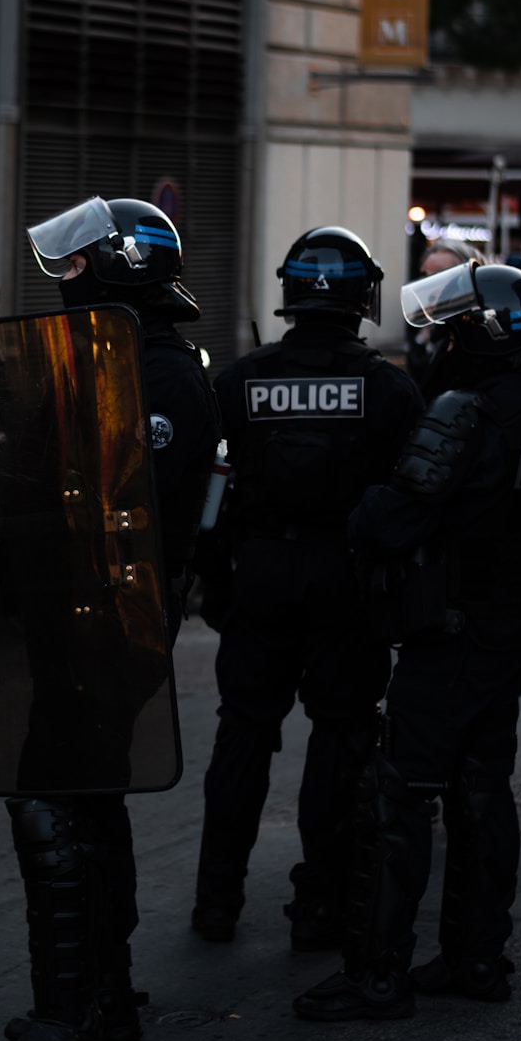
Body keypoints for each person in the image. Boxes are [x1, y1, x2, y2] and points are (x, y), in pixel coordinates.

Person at [293, 260, 521, 1023]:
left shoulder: (465, 412)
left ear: (479, 333)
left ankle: (375, 974)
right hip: (510, 629)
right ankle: (477, 957)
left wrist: (360, 502)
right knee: (482, 793)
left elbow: (390, 520)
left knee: (398, 799)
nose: (438, 341)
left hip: (447, 636)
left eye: (449, 327)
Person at [0, 196, 220, 1041]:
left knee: (56, 808)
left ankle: (69, 1018)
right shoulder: (101, 358)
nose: (65, 278)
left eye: (78, 263)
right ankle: (104, 994)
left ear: (121, 263)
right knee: (88, 807)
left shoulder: (159, 373)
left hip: (109, 619)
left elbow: (139, 516)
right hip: (73, 613)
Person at [190, 226, 424, 949]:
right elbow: (410, 500)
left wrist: (213, 579)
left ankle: (216, 901)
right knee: (340, 736)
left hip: (258, 573)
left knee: (242, 736)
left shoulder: (239, 380)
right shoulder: (387, 388)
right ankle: (319, 904)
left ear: (288, 293)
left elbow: (208, 492)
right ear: (363, 297)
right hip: (344, 582)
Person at [405, 238, 484, 399]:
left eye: (440, 275)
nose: (429, 285)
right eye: (426, 275)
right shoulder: (430, 326)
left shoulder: (475, 333)